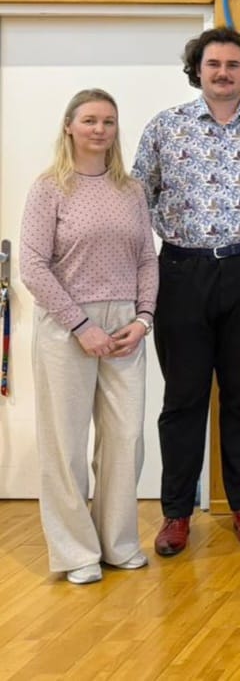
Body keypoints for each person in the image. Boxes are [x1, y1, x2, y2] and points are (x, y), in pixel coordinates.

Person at [133, 26, 240, 556]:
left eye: (232, 65)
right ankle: (176, 513)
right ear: (197, 71)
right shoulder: (166, 127)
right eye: (213, 64)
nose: (223, 73)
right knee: (183, 398)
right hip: (182, 273)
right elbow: (137, 198)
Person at [20, 89, 158, 585]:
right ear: (69, 126)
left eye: (108, 121)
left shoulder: (131, 190)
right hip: (67, 326)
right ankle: (76, 552)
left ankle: (118, 543)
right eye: (90, 120)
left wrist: (143, 319)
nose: (100, 129)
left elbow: (147, 258)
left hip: (125, 326)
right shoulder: (49, 188)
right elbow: (32, 265)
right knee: (66, 442)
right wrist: (81, 326)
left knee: (126, 438)